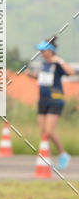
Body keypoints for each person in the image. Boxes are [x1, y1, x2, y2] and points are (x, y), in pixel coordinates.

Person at [29, 38, 74, 170]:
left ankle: (63, 154)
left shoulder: (57, 63)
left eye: (43, 51)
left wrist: (59, 60)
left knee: (49, 131)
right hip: (42, 100)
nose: (41, 53)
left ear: (50, 51)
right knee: (43, 132)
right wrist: (31, 75)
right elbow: (42, 78)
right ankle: (46, 158)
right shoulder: (44, 64)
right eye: (40, 51)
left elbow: (71, 72)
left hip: (55, 100)